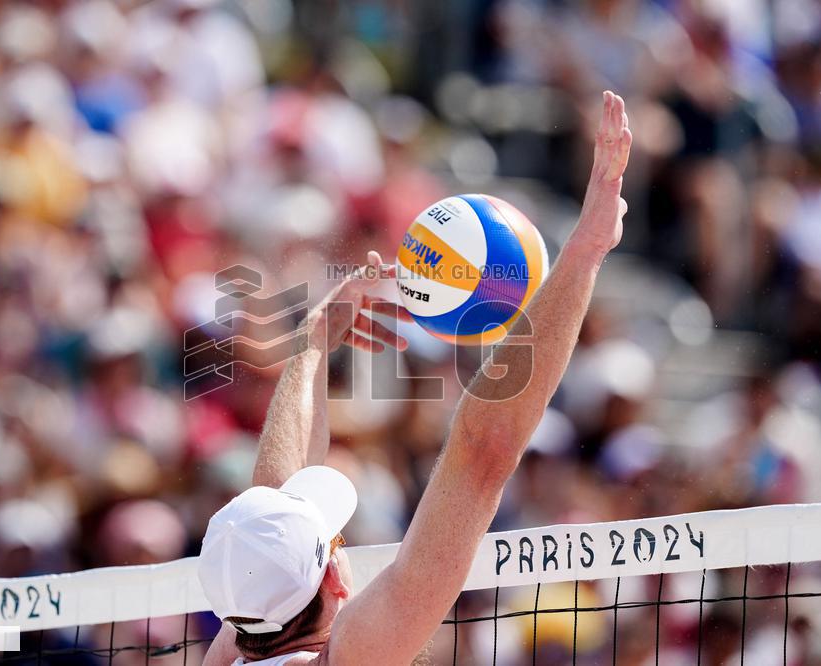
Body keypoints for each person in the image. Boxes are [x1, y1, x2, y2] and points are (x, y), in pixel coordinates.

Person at [197, 91, 633, 665]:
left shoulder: (236, 643)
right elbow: (481, 453)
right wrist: (586, 249)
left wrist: (315, 342)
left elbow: (275, 502)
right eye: (332, 540)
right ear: (332, 577)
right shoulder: (350, 656)